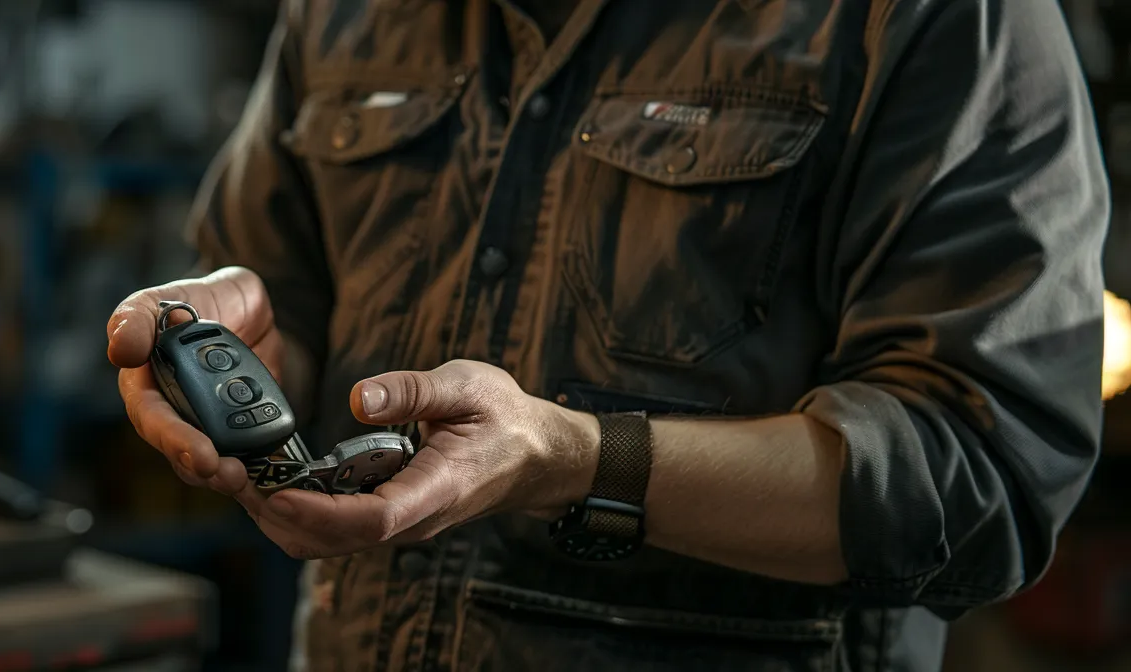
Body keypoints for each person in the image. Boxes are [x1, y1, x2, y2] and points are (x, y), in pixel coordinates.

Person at [104, 0, 1108, 669]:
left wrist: (571, 460)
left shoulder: (938, 21)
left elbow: (980, 482)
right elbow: (286, 289)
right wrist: (243, 339)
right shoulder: (345, 15)